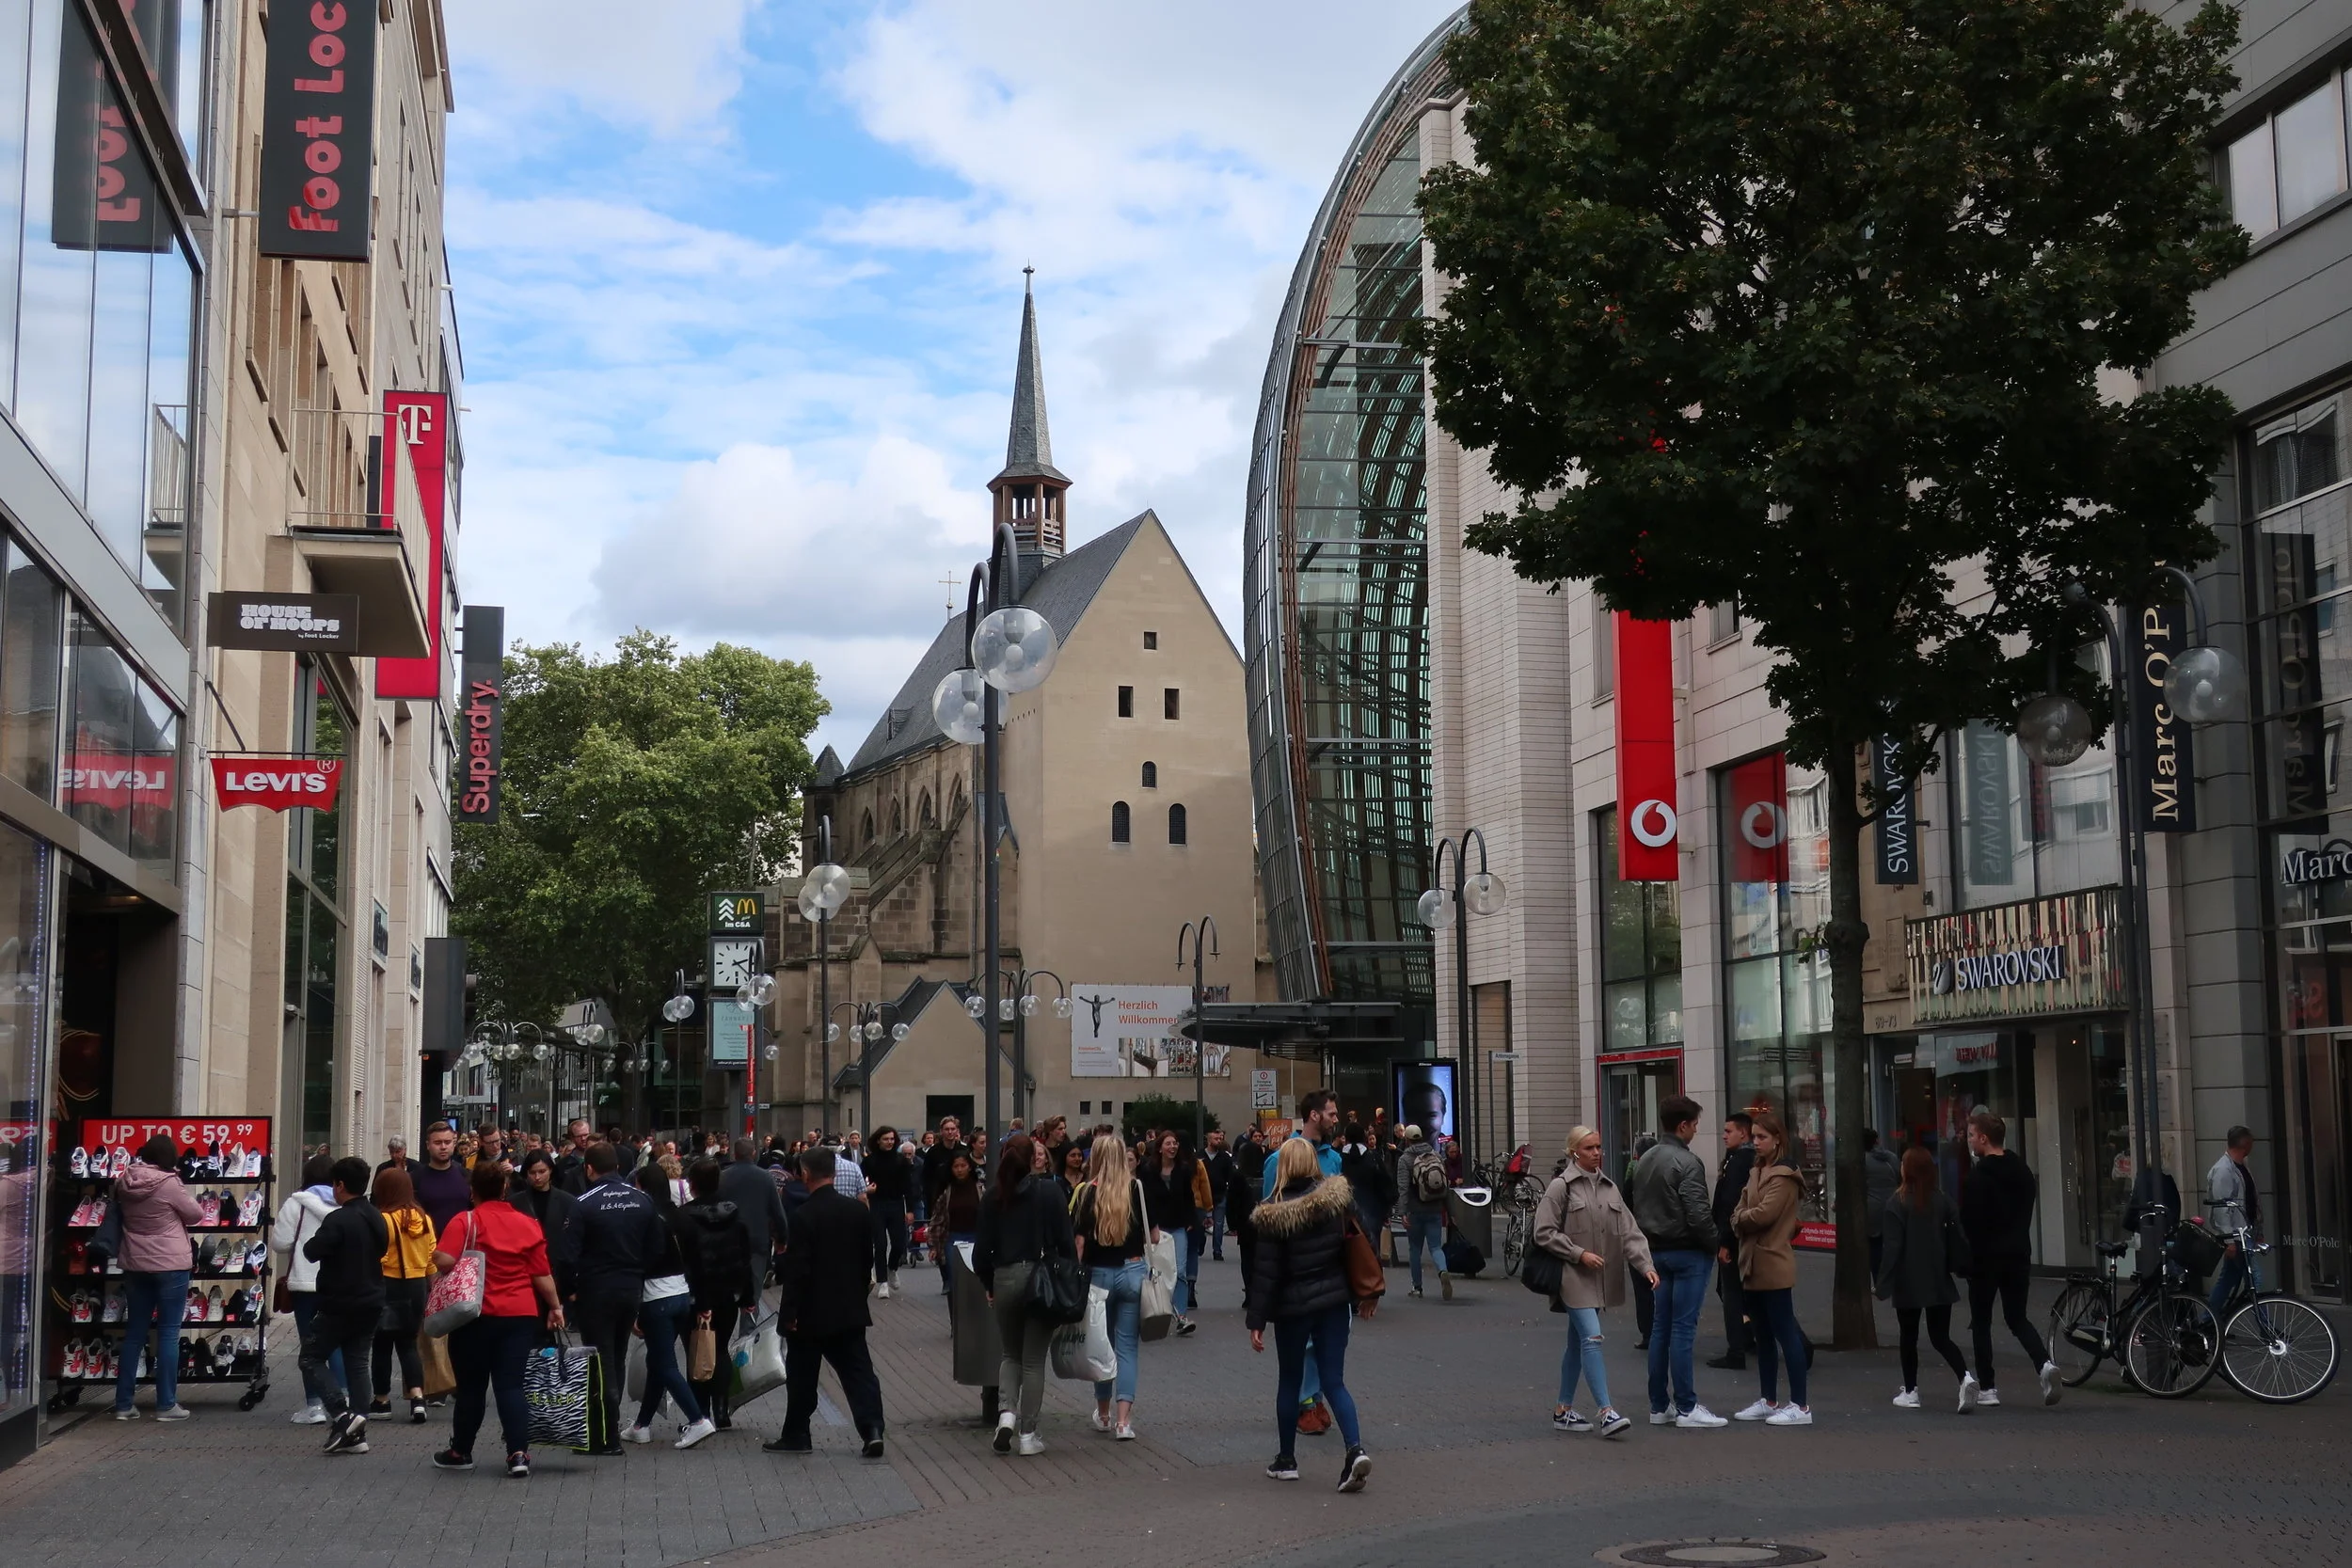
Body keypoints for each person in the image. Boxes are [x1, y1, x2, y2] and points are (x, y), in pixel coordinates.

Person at [1248, 1135, 1374, 1492]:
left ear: (1284, 1166)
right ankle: (1355, 1449)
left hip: (1292, 1307)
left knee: (1290, 1381)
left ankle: (1286, 1460)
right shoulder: (1336, 1200)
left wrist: (1256, 1321)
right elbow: (1359, 1241)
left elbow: (1266, 1273)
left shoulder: (1273, 1213)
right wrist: (1366, 1293)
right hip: (1333, 1301)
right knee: (1334, 1380)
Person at [431, 1161, 564, 1476]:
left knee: (471, 1387)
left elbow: (445, 1260)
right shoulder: (527, 1223)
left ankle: (461, 1451)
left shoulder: (465, 1221)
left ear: (472, 1190)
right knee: (511, 1386)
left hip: (474, 1315)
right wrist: (555, 1306)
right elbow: (541, 1273)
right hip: (519, 1313)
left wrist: (436, 1256)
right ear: (504, 1188)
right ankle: (518, 1454)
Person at [1534, 1125, 1655, 1438]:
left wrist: (1645, 1265)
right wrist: (1578, 1254)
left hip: (1599, 1280)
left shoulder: (1609, 1188)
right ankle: (1606, 1411)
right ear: (1574, 1152)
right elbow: (1543, 1231)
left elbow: (1629, 1232)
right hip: (1572, 1276)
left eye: (1599, 1147)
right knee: (1592, 1337)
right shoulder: (1561, 1187)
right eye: (1589, 1148)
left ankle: (1563, 1410)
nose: (1597, 1153)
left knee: (1577, 1344)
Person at [765, 1148, 887, 1457]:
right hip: (849, 1309)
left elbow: (798, 1270)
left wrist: (789, 1313)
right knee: (859, 1372)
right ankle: (872, 1429)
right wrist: (859, 1295)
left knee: (802, 1375)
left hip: (809, 1312)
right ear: (833, 1172)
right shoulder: (857, 1211)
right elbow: (866, 1259)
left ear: (805, 1174)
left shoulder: (803, 1216)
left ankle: (797, 1434)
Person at [1624, 1095, 1724, 1427]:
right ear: (1683, 1126)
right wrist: (1715, 1244)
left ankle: (1659, 1405)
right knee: (1682, 1328)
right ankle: (1686, 1406)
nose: (1696, 1130)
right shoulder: (1687, 1161)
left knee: (1660, 1328)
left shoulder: (1645, 1159)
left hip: (1655, 1251)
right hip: (1687, 1252)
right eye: (1694, 1125)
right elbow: (1698, 1214)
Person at [975, 1132, 1077, 1455]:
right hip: (1041, 1279)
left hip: (1004, 1277)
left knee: (1010, 1353)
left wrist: (990, 1285)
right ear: (1034, 1158)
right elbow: (1066, 1242)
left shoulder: (993, 1196)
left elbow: (980, 1253)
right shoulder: (1050, 1192)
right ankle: (1028, 1435)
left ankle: (1006, 1414)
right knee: (1033, 1361)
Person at [567, 1141, 670, 1453]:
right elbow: (657, 1248)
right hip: (630, 1288)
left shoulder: (583, 1203)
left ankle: (604, 1436)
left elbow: (568, 1254)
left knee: (599, 1360)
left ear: (589, 1169)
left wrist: (570, 1289)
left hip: (595, 1290)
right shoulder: (642, 1200)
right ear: (618, 1167)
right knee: (617, 1355)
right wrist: (637, 1271)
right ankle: (608, 1429)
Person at [1958, 1110, 2060, 1408]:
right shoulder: (2023, 1173)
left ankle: (1988, 1388)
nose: (1969, 1141)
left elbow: (1970, 1223)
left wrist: (1965, 1258)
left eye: (1971, 1135)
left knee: (1981, 1322)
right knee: (2017, 1317)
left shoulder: (1977, 1178)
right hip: (2018, 1254)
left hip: (1985, 1258)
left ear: (1983, 1138)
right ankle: (2044, 1364)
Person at [1263, 1088, 1346, 1433]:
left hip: (1330, 1264)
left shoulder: (1333, 1158)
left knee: (1327, 1340)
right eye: (1331, 1113)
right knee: (1304, 1342)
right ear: (1314, 1115)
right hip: (1295, 1268)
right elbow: (1269, 1214)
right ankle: (1305, 1403)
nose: (1336, 1118)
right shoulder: (1280, 1158)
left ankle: (1313, 1397)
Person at [301, 1156, 390, 1455]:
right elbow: (382, 1248)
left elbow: (312, 1251)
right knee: (357, 1362)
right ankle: (357, 1431)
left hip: (339, 1302)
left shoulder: (338, 1219)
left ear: (339, 1185)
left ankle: (342, 1415)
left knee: (311, 1358)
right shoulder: (375, 1215)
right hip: (372, 1299)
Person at [621, 1164, 714, 1447]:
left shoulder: (646, 1219)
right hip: (682, 1295)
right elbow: (698, 1262)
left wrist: (635, 1307)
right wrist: (703, 1302)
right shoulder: (683, 1217)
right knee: (657, 1361)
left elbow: (641, 1263)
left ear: (642, 1187)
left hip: (656, 1297)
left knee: (664, 1364)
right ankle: (641, 1425)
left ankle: (698, 1420)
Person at [1727, 1114, 1811, 1425]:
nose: (1756, 1142)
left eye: (1762, 1137)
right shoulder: (1755, 1171)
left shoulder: (1784, 1176)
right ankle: (1769, 1399)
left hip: (1773, 1262)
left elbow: (1764, 1215)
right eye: (1754, 1137)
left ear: (1777, 1139)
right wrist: (1741, 1218)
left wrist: (1741, 1219)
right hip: (1751, 1263)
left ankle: (1800, 1405)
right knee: (1762, 1335)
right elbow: (1738, 1211)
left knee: (1785, 1333)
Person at [111, 1134, 201, 1421]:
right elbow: (196, 1215)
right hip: (170, 1264)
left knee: (134, 1334)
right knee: (169, 1333)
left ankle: (123, 1404)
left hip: (135, 1263)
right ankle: (166, 1405)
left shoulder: (124, 1181)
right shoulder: (169, 1183)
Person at [1877, 1145, 1973, 1411]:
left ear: (1906, 1170)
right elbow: (1958, 1236)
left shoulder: (1897, 1202)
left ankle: (1911, 1392)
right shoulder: (1942, 1200)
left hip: (1908, 1281)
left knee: (1908, 1337)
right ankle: (1965, 1377)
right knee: (1941, 1337)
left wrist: (1882, 1283)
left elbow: (1892, 1248)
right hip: (1938, 1278)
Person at [1073, 1132, 1152, 1438]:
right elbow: (1153, 1235)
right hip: (1132, 1270)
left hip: (1099, 1275)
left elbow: (1079, 1243)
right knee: (1128, 1347)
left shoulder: (1087, 1192)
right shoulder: (1136, 1189)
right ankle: (1123, 1421)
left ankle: (1103, 1414)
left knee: (1101, 1346)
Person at [677, 1157, 759, 1430]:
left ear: (692, 1184)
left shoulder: (684, 1219)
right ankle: (722, 1409)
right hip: (727, 1294)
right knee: (721, 1349)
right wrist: (747, 1297)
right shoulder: (734, 1215)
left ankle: (700, 1414)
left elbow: (686, 1263)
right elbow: (745, 1259)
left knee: (696, 1350)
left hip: (694, 1295)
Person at [271, 1153, 342, 1425]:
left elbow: (280, 1243)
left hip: (304, 1282)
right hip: (335, 1283)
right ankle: (342, 1400)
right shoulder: (344, 1204)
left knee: (310, 1346)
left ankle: (314, 1406)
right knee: (336, 1342)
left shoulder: (296, 1203)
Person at [369, 1167, 436, 1424]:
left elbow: (378, 1255)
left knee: (382, 1345)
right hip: (417, 1285)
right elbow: (431, 1256)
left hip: (388, 1284)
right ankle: (417, 1398)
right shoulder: (424, 1218)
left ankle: (382, 1401)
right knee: (408, 1343)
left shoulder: (383, 1219)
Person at [1139, 1131, 1202, 1335]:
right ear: (1160, 1148)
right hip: (1156, 1227)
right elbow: (1144, 1199)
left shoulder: (1183, 1169)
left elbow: (1188, 1197)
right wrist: (1147, 1225)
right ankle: (1157, 1309)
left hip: (1178, 1226)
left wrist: (1191, 1220)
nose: (1173, 1147)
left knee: (1180, 1271)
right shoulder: (1149, 1170)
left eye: (1175, 1143)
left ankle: (1181, 1316)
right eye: (1168, 1144)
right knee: (1156, 1270)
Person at [1708, 1113, 1756, 1370]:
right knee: (1739, 1291)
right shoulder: (1739, 1159)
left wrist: (1725, 1240)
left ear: (1743, 1133)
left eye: (1729, 1131)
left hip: (1734, 1237)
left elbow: (1730, 1203)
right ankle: (1747, 1337)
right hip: (1741, 1235)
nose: (1724, 1136)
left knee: (1733, 1293)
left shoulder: (1739, 1162)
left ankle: (1737, 1347)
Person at [719, 1136, 789, 1291]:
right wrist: (781, 1239)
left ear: (734, 1154)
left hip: (729, 1242)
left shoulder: (722, 1178)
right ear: (754, 1153)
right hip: (757, 1242)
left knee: (730, 1289)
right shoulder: (766, 1177)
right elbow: (777, 1211)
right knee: (753, 1289)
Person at [2206, 1124, 2261, 1319]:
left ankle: (2208, 1320)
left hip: (2243, 1234)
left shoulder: (2240, 1167)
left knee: (2228, 1279)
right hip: (2236, 1236)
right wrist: (2229, 1240)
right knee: (2255, 1280)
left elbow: (2251, 1201)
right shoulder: (2224, 1171)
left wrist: (2257, 1230)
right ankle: (2266, 1328)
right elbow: (2222, 1209)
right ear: (2245, 1144)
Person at [1396, 1124, 1451, 1300]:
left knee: (1415, 1249)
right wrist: (1449, 1210)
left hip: (1415, 1210)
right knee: (1435, 1247)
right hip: (1435, 1208)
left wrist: (1402, 1212)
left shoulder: (1405, 1159)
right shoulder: (1435, 1155)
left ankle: (1417, 1287)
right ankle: (1442, 1270)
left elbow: (1403, 1189)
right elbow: (1445, 1184)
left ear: (1407, 1140)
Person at [509, 1148, 580, 1282]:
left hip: (559, 1271)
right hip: (525, 1271)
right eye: (532, 1173)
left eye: (542, 1171)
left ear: (551, 1170)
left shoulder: (567, 1201)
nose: (537, 1177)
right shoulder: (515, 1202)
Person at [866, 1127, 915, 1297]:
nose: (889, 1142)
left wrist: (910, 1209)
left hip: (896, 1204)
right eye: (886, 1139)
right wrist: (866, 1189)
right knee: (880, 1244)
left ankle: (892, 1268)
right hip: (876, 1204)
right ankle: (882, 1282)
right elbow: (860, 1179)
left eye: (892, 1139)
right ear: (878, 1140)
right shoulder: (870, 1161)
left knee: (899, 1243)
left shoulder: (901, 1161)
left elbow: (908, 1187)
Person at [1338, 1122, 1393, 1270]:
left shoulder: (1338, 1158)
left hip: (1344, 1214)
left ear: (1346, 1138)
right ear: (1364, 1137)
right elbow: (1386, 1185)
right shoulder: (1373, 1157)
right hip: (1372, 1212)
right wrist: (1385, 1212)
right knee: (1371, 1254)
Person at [411, 1122, 472, 1240]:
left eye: (447, 1142)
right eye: (438, 1143)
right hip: (427, 1245)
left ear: (454, 1144)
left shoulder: (467, 1176)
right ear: (428, 1145)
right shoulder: (414, 1179)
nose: (443, 1147)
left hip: (461, 1245)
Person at [935, 1150, 983, 1297]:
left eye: (963, 1165)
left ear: (969, 1167)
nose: (960, 1170)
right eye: (956, 1166)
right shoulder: (947, 1191)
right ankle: (956, 1306)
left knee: (976, 1275)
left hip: (975, 1237)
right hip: (953, 1238)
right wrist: (934, 1245)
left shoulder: (980, 1189)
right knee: (955, 1277)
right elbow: (938, 1218)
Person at [1862, 1128, 1900, 1277]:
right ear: (1877, 1140)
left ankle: (1879, 1280)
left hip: (1873, 1209)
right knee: (1893, 1243)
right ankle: (1894, 1277)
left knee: (1875, 1246)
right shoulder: (1892, 1157)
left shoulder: (1862, 1160)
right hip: (1894, 1205)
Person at [1203, 1128, 1235, 1260]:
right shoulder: (1200, 1156)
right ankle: (1200, 1244)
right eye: (1216, 1139)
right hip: (1203, 1196)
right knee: (1201, 1223)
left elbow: (1230, 1175)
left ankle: (1217, 1250)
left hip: (1220, 1195)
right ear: (1209, 1139)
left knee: (1219, 1224)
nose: (1219, 1141)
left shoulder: (1225, 1157)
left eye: (1220, 1139)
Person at [551, 1118, 595, 1196]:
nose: (583, 1139)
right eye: (579, 1136)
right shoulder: (562, 1165)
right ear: (572, 1139)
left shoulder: (600, 1160)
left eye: (586, 1135)